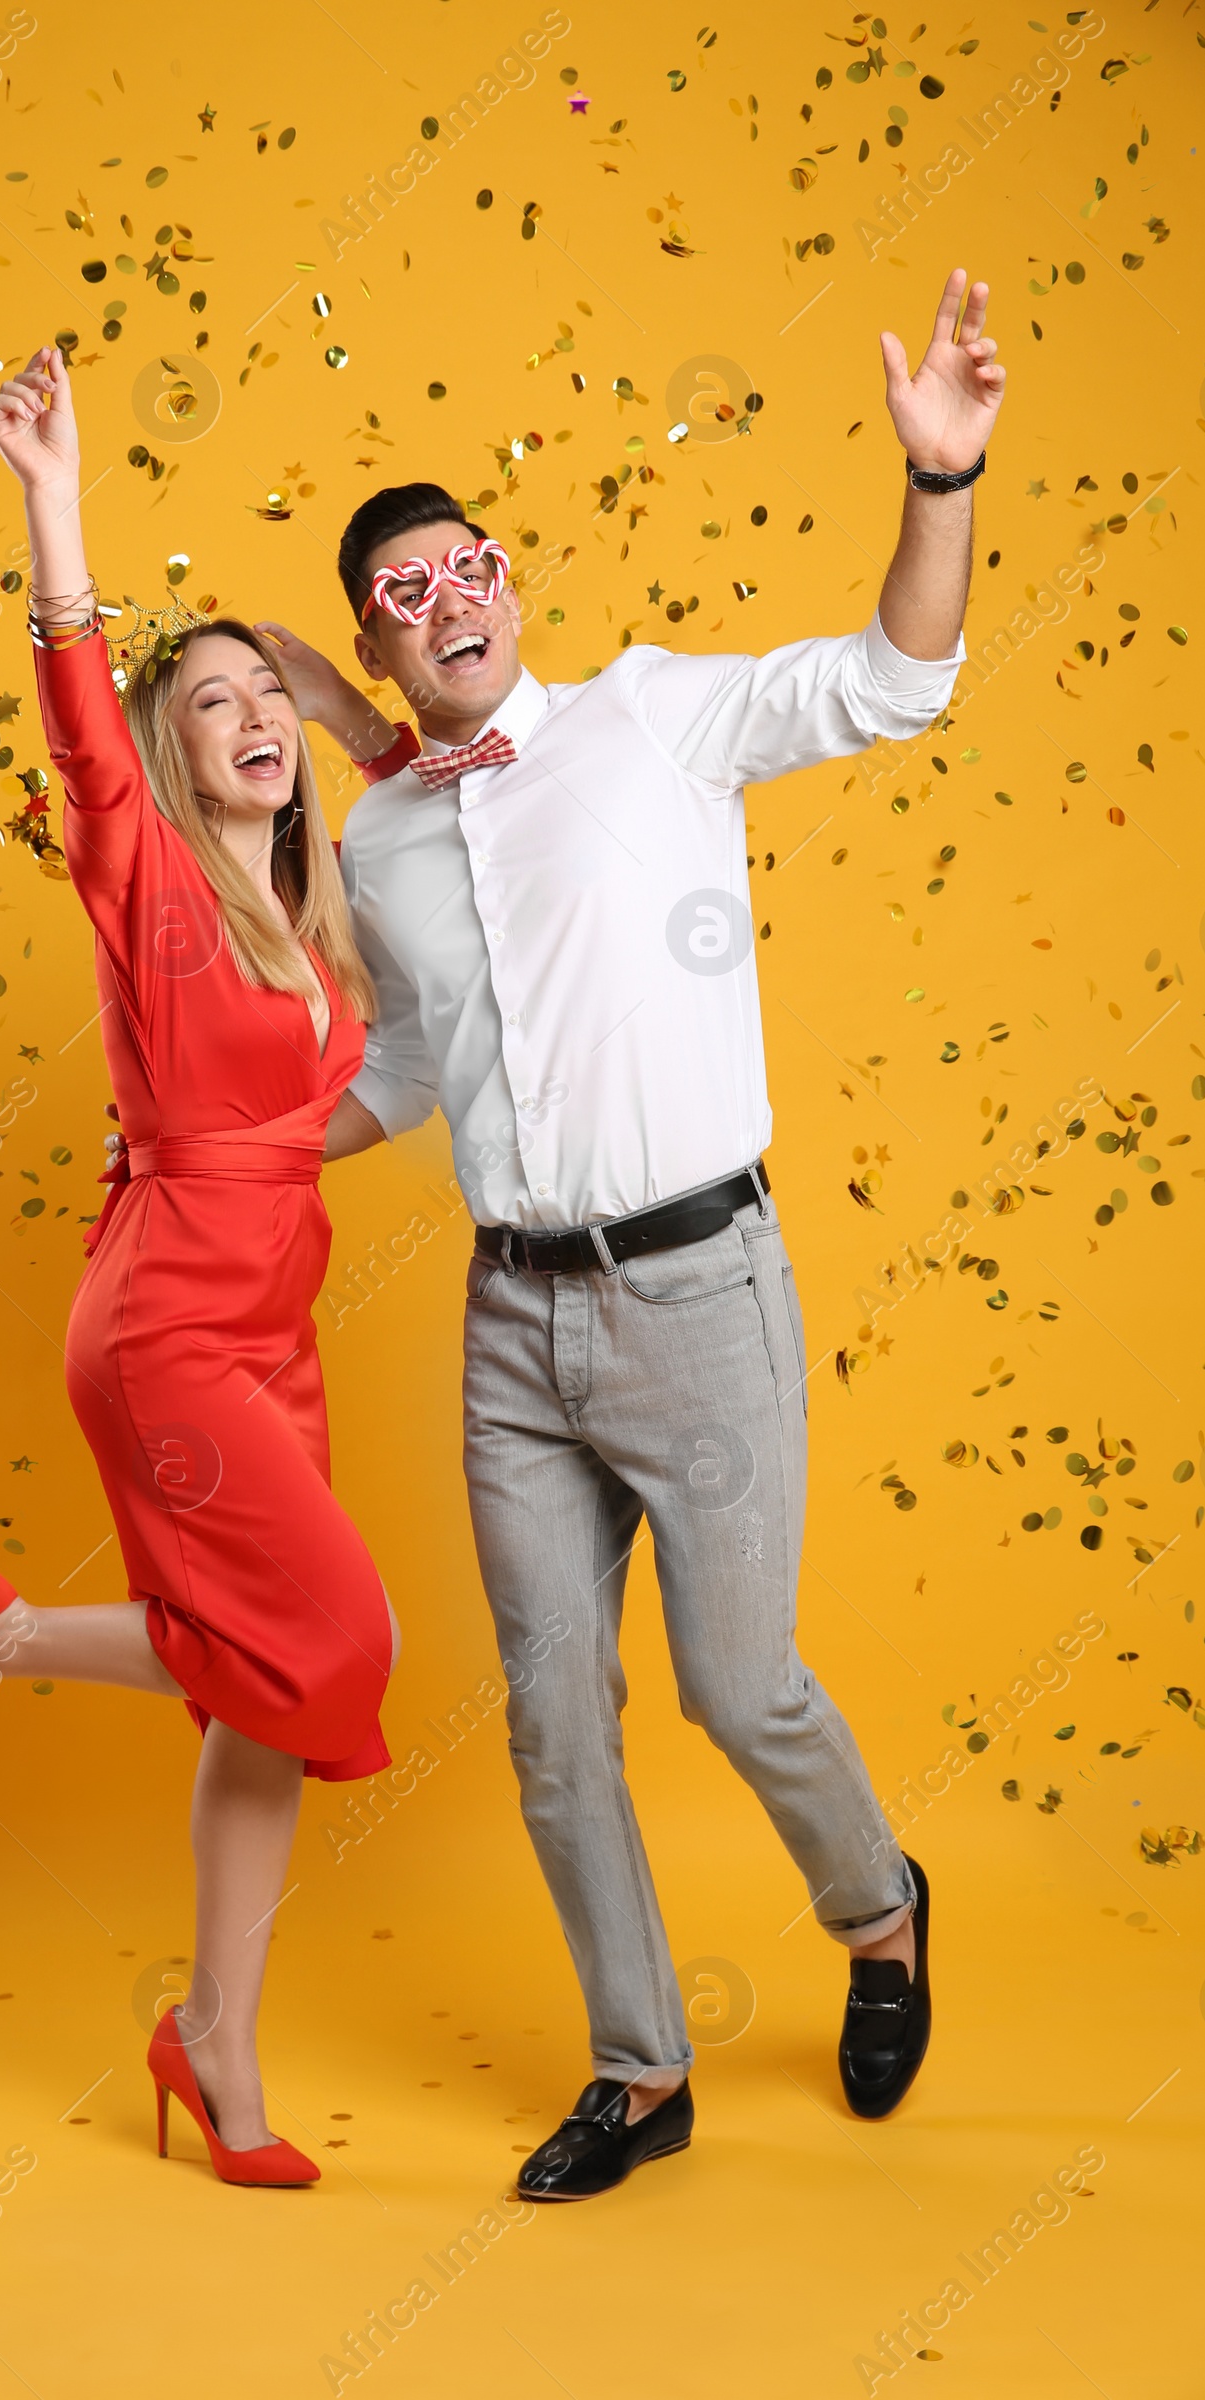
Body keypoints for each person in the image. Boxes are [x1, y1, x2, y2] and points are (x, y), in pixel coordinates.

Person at [322, 270, 1006, 2199]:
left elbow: (896, 680)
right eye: (401, 598)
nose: (444, 603)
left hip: (700, 1291)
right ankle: (641, 2072)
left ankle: (877, 1910)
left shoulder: (657, 719)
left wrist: (938, 480)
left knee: (739, 1685)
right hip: (509, 1328)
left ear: (506, 580)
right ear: (381, 651)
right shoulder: (381, 843)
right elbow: (406, 1067)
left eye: (463, 567)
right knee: (554, 1728)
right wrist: (242, 1143)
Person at [0, 345, 408, 2189]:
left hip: (276, 1326)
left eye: (271, 696)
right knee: (332, 1650)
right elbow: (84, 729)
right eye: (216, 702)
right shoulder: (148, 876)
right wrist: (55, 512)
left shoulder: (315, 922)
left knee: (260, 1695)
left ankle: (218, 2055)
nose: (251, 715)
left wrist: (339, 699)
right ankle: (1, 1636)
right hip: (170, 1325)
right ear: (172, 758)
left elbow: (425, 769)